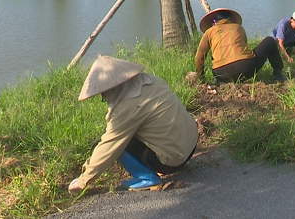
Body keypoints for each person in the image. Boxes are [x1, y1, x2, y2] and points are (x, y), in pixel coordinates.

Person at [68, 55, 199, 194]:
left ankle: (147, 178)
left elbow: (109, 145)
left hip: (173, 160)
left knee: (115, 143)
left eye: (104, 94)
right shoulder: (151, 81)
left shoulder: (128, 105)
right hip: (191, 145)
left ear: (112, 88)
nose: (105, 97)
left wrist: (83, 180)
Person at [194, 8, 287, 83]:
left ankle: (219, 81)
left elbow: (199, 57)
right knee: (270, 41)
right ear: (231, 19)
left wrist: (201, 77)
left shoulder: (209, 32)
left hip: (220, 74)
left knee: (216, 55)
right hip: (245, 69)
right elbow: (244, 50)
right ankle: (278, 75)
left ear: (214, 22)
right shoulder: (238, 28)